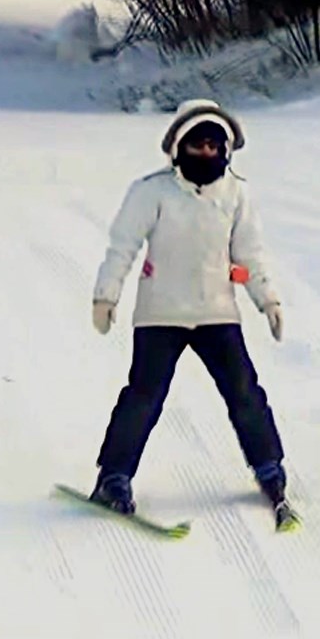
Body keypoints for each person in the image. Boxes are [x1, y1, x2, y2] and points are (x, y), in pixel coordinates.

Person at [88, 98, 289, 517]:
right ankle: (114, 475)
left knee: (244, 393)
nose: (206, 153)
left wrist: (267, 300)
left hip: (217, 313)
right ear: (178, 146)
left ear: (226, 152)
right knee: (143, 396)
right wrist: (106, 295)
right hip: (161, 314)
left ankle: (269, 466)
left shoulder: (237, 194)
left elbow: (249, 254)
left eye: (215, 147)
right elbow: (122, 246)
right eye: (197, 145)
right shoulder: (152, 192)